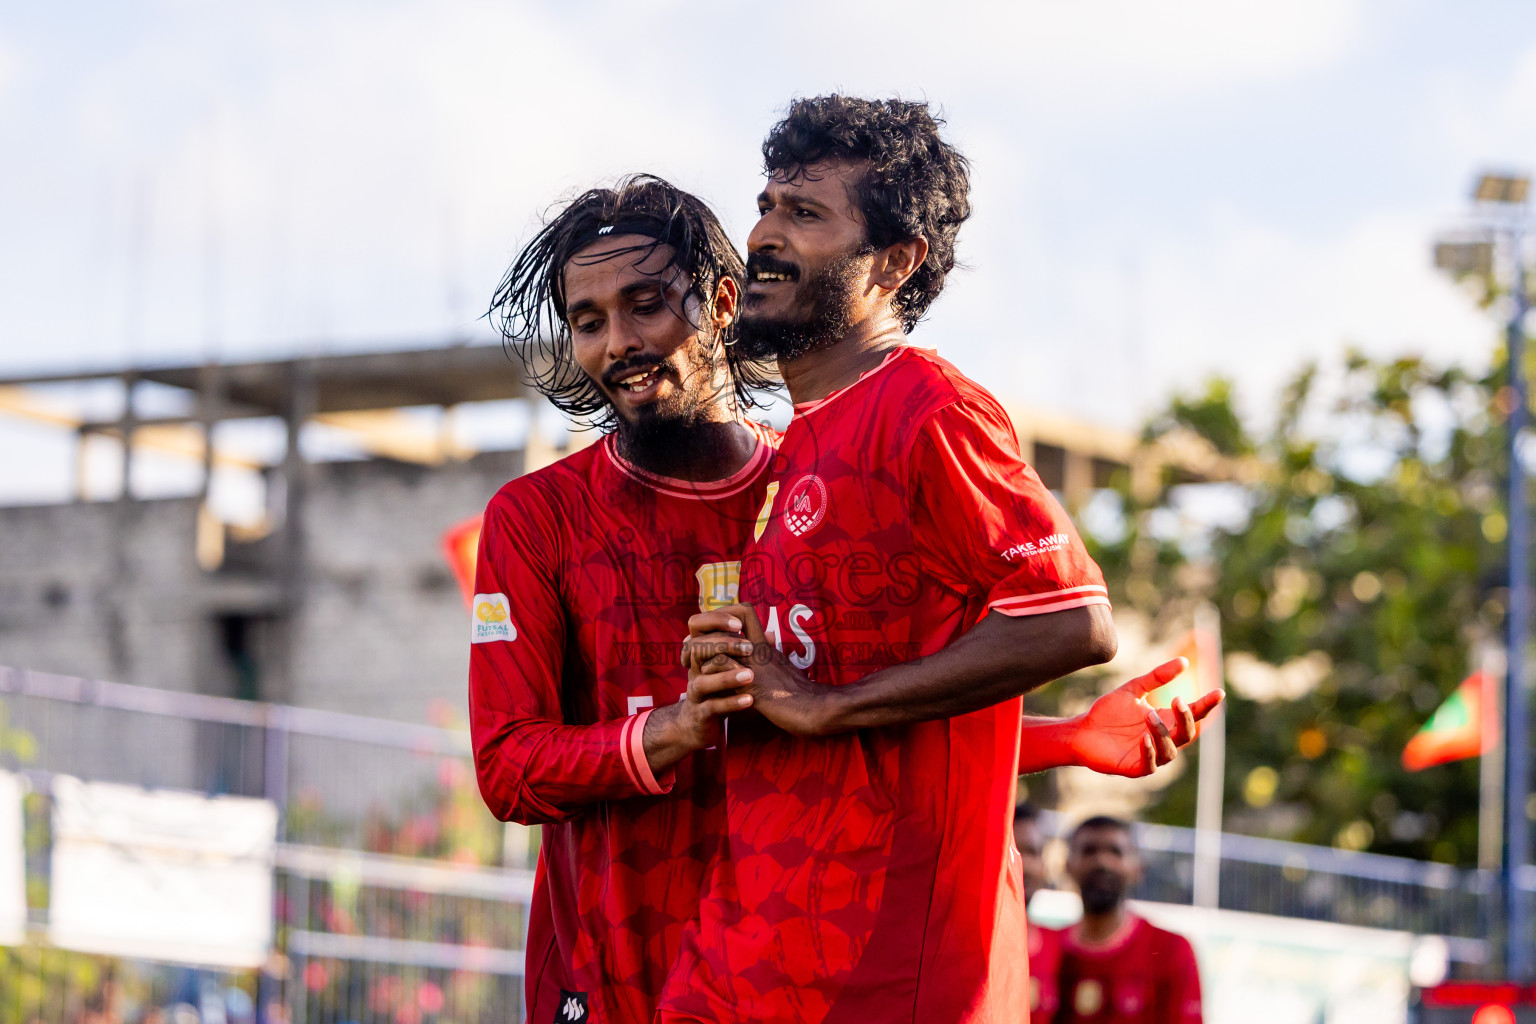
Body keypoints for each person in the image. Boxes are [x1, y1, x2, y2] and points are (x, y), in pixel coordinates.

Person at [469, 174, 1213, 1024]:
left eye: (645, 306)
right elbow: (507, 767)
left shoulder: (824, 477)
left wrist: (1058, 740)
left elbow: (847, 719)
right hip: (609, 977)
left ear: (719, 303)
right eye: (590, 321)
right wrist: (671, 729)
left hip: (790, 978)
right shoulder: (536, 519)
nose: (618, 344)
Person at [662, 96, 1222, 1023]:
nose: (763, 233)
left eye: (805, 213)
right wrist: (1056, 741)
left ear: (893, 262)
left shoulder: (929, 409)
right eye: (766, 204)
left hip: (886, 978)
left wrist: (823, 703)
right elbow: (883, 727)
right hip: (747, 961)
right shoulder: (792, 445)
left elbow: (1069, 615)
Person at [1057, 816, 1203, 1024]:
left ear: (1138, 868)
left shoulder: (1171, 950)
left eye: (1115, 851)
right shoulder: (1050, 950)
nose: (1102, 862)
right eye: (1089, 851)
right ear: (1067, 866)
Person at [1016, 803, 1064, 1024]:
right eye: (1012, 849)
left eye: (1032, 852)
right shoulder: (956, 945)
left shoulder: (1058, 945)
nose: (1022, 865)